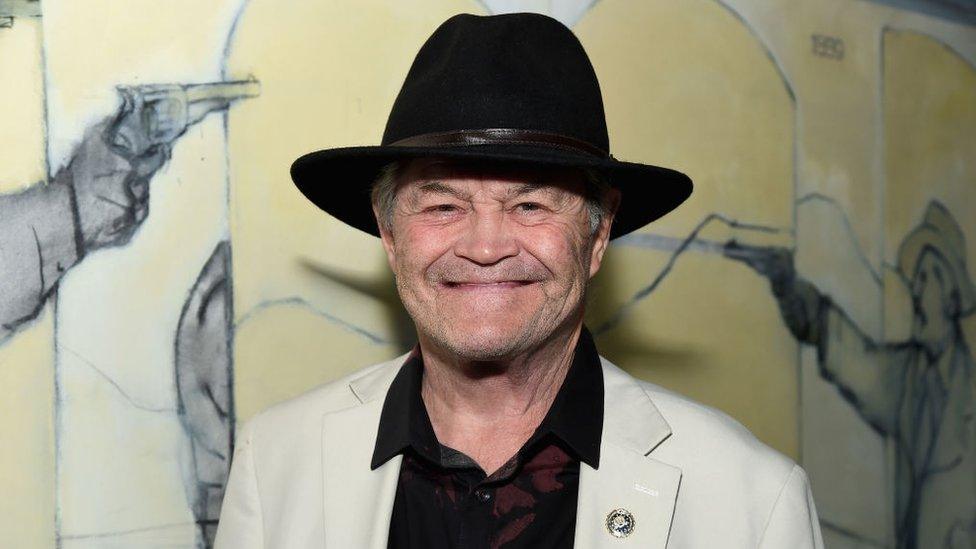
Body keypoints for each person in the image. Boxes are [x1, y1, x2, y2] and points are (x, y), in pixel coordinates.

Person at [214, 12, 824, 548]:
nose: (485, 247)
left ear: (598, 232)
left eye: (531, 205)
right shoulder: (275, 464)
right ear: (390, 232)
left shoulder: (749, 503)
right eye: (442, 205)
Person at [728, 200, 975, 548]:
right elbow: (849, 352)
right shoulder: (911, 377)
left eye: (924, 279)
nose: (915, 293)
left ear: (951, 295)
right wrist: (787, 284)